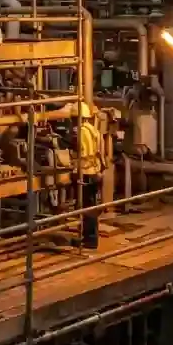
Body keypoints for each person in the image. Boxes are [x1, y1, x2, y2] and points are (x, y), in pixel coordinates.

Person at [75, 102, 103, 249]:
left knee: (88, 208)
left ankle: (90, 240)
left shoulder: (82, 131)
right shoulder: (93, 130)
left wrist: (75, 166)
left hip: (87, 172)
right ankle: (90, 238)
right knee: (91, 207)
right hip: (95, 171)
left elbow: (84, 154)